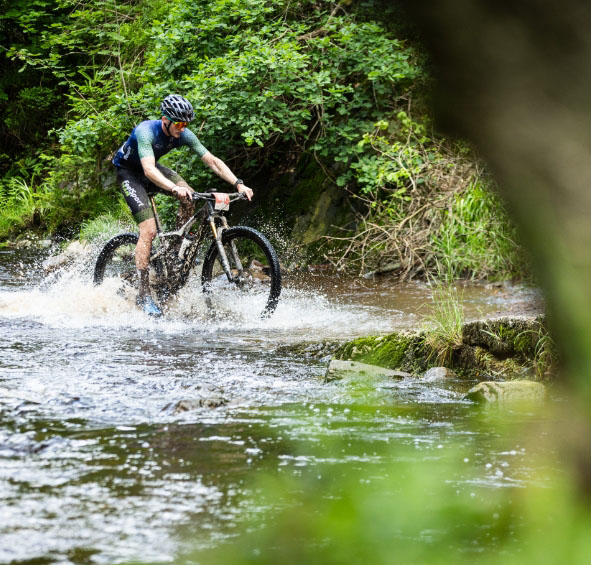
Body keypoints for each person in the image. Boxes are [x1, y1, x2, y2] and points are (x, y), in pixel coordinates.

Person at [112, 94, 253, 317]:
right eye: (178, 123)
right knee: (148, 231)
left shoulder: (183, 134)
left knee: (190, 195)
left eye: (185, 124)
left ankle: (175, 253)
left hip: (153, 169)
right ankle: (143, 293)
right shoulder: (146, 131)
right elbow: (148, 170)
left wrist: (238, 184)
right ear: (164, 119)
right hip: (131, 174)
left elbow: (212, 160)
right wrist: (172, 188)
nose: (182, 128)